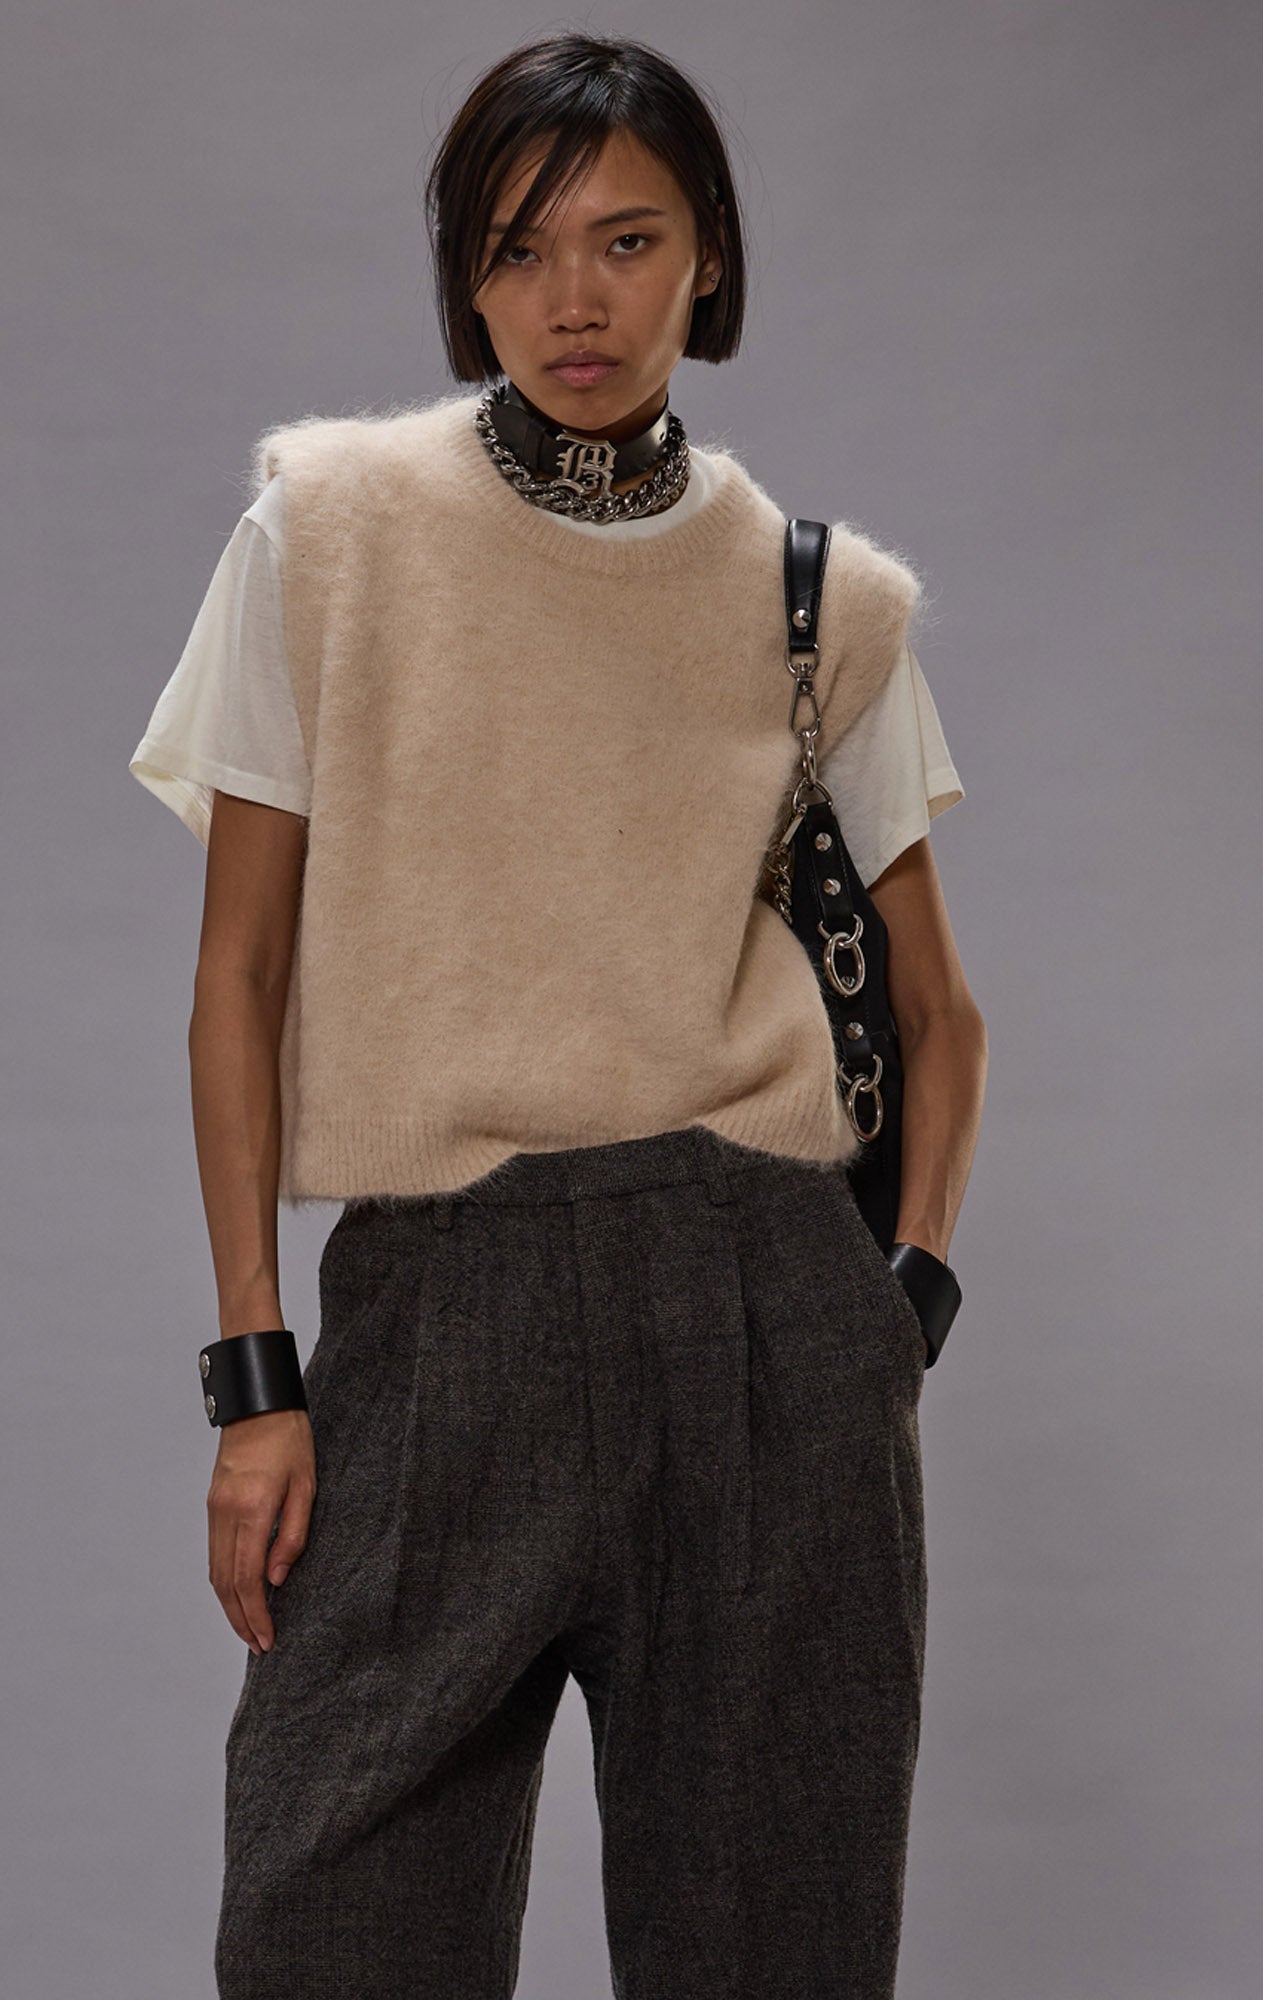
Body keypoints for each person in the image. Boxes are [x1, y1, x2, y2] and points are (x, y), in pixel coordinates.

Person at [129, 29, 987, 2000]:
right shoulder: (326, 538)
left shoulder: (814, 601)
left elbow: (940, 1012)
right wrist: (255, 1379)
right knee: (328, 1933)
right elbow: (237, 977)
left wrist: (899, 1315)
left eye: (626, 239)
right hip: (440, 1306)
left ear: (710, 259)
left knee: (772, 1958)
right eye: (518, 249)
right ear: (466, 275)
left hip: (766, 1319)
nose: (572, 299)